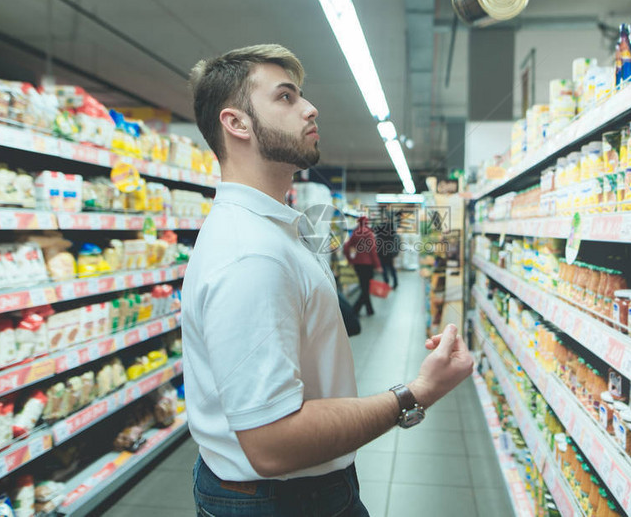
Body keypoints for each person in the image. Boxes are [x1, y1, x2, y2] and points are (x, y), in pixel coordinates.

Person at [183, 44, 474, 517]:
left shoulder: (272, 230)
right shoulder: (251, 253)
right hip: (285, 501)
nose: (310, 107)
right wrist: (418, 392)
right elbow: (273, 444)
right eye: (285, 97)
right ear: (236, 123)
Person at [342, 216, 380, 316]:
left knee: (364, 287)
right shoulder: (368, 233)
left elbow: (346, 247)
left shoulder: (355, 233)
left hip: (357, 264)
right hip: (367, 264)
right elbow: (372, 251)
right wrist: (378, 265)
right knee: (366, 288)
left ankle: (369, 309)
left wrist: (350, 259)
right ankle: (355, 309)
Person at [373, 214, 400, 289]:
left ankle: (386, 283)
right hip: (389, 252)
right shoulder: (392, 228)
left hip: (381, 251)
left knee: (384, 268)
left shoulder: (380, 227)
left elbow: (375, 232)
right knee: (391, 268)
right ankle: (395, 282)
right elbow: (394, 238)